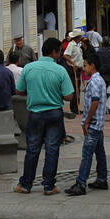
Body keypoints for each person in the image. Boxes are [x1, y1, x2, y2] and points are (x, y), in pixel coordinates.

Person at [14, 37, 73, 195]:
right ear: (54, 52)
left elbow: (19, 90)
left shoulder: (28, 68)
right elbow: (69, 96)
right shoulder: (60, 70)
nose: (60, 54)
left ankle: (26, 184)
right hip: (54, 113)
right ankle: (49, 186)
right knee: (52, 150)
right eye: (59, 51)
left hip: (35, 114)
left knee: (32, 149)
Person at [66, 54, 109, 195]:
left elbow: (95, 102)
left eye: (85, 65)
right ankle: (102, 179)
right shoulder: (98, 80)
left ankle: (81, 183)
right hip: (98, 123)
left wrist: (87, 121)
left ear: (92, 66)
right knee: (99, 152)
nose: (84, 68)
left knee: (87, 154)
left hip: (94, 123)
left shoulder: (95, 81)